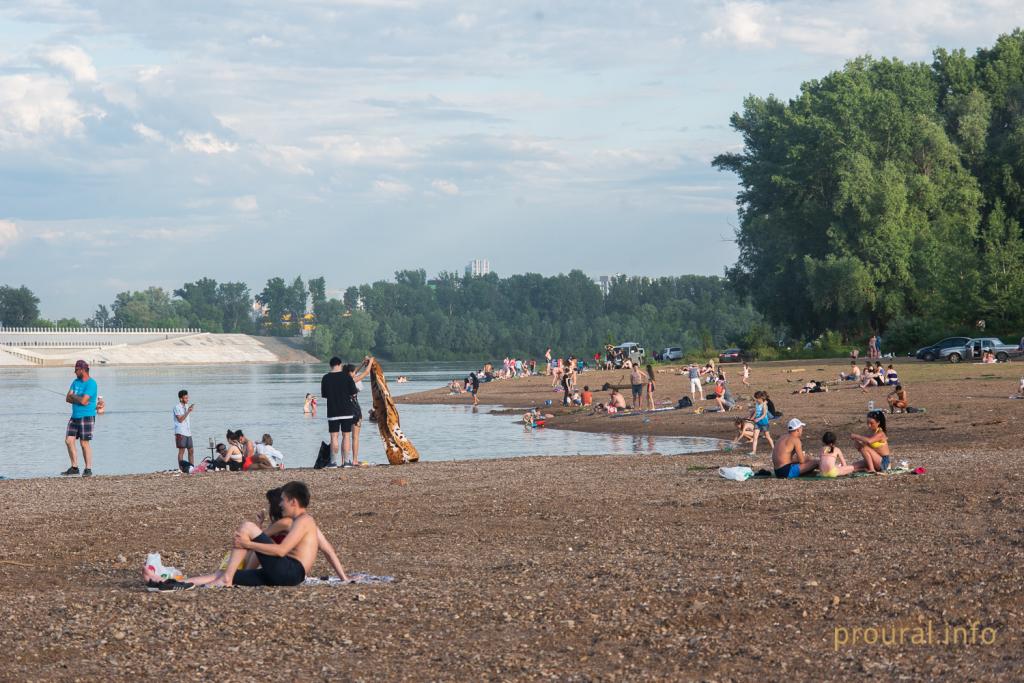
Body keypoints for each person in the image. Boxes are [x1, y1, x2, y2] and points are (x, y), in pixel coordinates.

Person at [149, 482, 349, 590]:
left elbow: (281, 550)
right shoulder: (303, 523)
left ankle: (226, 578)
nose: (280, 505)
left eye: (283, 501)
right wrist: (344, 579)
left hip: (290, 572)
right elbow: (327, 550)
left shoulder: (304, 521)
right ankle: (177, 584)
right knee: (225, 575)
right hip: (282, 575)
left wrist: (249, 543)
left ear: (293, 501)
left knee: (246, 527)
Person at [63, 360, 100, 477]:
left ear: (82, 370)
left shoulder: (91, 384)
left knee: (84, 443)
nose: (75, 372)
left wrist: (74, 396)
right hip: (74, 416)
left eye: (76, 370)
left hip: (87, 416)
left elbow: (84, 401)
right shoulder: (75, 382)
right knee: (69, 441)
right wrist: (75, 398)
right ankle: (74, 467)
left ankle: (88, 469)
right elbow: (67, 398)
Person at [321, 357, 358, 468]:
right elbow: (353, 393)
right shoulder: (346, 377)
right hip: (347, 410)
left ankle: (333, 462)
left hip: (332, 411)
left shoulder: (326, 378)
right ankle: (346, 462)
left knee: (334, 437)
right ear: (340, 364)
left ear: (330, 365)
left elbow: (325, 395)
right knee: (346, 435)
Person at [346, 357, 375, 467]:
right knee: (355, 437)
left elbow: (355, 372)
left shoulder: (343, 380)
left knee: (346, 436)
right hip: (355, 409)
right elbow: (366, 372)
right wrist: (371, 362)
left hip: (345, 410)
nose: (355, 373)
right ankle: (354, 460)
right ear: (351, 373)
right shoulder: (353, 380)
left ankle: (345, 460)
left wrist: (362, 363)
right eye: (353, 372)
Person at [173, 389, 196, 467]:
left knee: (191, 450)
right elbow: (180, 420)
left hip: (188, 432)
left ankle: (192, 467)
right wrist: (188, 411)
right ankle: (181, 468)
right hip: (180, 431)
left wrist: (188, 410)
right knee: (181, 451)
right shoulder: (177, 407)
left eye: (187, 397)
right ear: (181, 398)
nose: (187, 399)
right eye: (185, 398)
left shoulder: (186, 406)